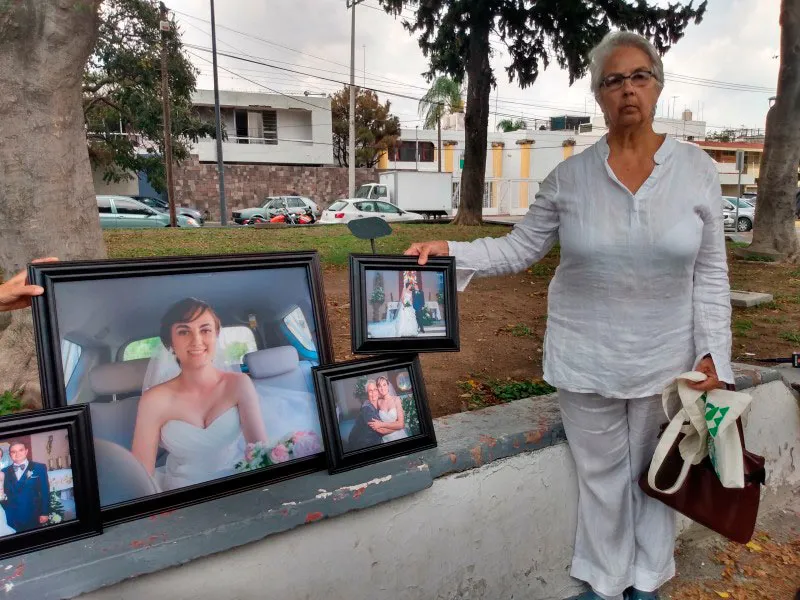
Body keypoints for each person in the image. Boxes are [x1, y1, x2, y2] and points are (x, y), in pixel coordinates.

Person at [405, 31, 733, 600]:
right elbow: (518, 248)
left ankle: (647, 583)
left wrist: (714, 354)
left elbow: (711, 273)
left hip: (669, 361)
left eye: (639, 77)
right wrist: (449, 252)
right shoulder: (570, 178)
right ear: (598, 95)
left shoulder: (698, 171)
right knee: (603, 482)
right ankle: (606, 585)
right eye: (614, 80)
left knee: (659, 478)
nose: (628, 90)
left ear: (657, 87)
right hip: (588, 356)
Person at [131, 298, 269, 491]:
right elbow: (141, 474)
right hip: (181, 495)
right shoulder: (153, 400)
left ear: (216, 335)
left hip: (239, 486)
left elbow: (260, 452)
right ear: (170, 343)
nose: (196, 340)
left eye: (205, 330)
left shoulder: (239, 384)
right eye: (184, 331)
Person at [1, 441, 49, 533]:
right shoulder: (4, 471)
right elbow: (2, 493)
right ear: (10, 454)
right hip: (12, 515)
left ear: (26, 451)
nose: (17, 454)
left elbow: (44, 491)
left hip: (33, 513)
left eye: (20, 450)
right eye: (13, 452)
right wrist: (6, 507)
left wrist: (44, 512)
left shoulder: (39, 467)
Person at [345, 380, 385, 451]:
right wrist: (398, 425)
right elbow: (381, 430)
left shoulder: (379, 405)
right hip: (362, 445)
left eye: (375, 389)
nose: (373, 393)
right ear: (367, 393)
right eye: (370, 391)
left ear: (378, 391)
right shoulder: (367, 408)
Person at [369, 376, 408, 442]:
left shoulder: (396, 399)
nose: (382, 388)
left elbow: (401, 424)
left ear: (388, 385)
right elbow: (400, 425)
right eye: (379, 386)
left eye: (384, 385)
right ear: (377, 388)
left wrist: (381, 424)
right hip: (386, 439)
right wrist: (398, 427)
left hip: (400, 436)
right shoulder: (378, 402)